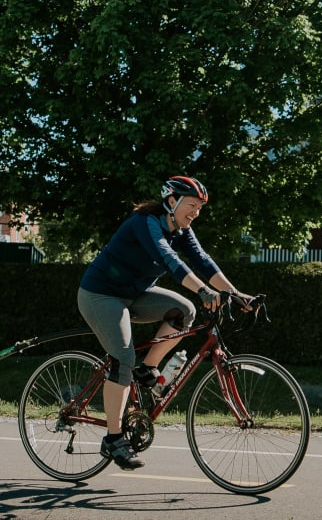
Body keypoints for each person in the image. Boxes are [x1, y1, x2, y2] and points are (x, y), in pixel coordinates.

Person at [77, 175, 250, 469]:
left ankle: (148, 368)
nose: (195, 213)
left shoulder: (182, 229)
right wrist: (204, 290)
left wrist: (236, 294)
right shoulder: (146, 223)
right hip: (100, 294)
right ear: (172, 201)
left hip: (135, 294)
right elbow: (171, 260)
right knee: (122, 357)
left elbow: (203, 261)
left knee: (184, 311)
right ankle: (113, 439)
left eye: (199, 208)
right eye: (191, 205)